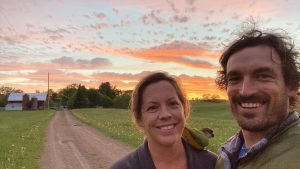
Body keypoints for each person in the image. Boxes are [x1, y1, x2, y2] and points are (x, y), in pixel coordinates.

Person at [214, 28, 300, 169]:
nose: (245, 91)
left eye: (263, 76)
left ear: (291, 87)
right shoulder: (225, 157)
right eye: (234, 78)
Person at [110, 72, 217, 169]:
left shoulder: (214, 165)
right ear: (139, 119)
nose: (165, 114)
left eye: (172, 104)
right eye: (152, 108)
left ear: (184, 110)